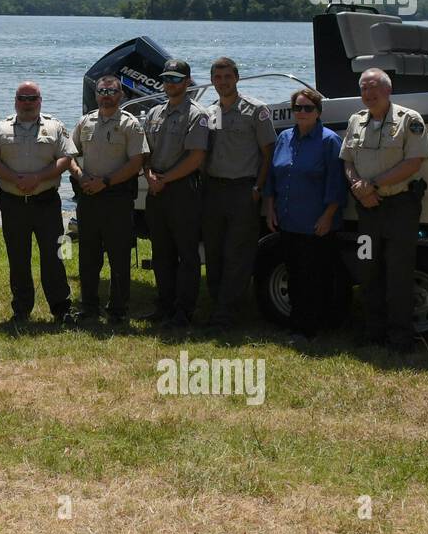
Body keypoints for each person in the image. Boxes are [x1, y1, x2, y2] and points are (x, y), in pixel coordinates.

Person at [340, 68, 428, 351]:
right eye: (364, 88)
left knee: (399, 273)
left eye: (373, 88)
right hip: (367, 211)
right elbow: (347, 160)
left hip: (399, 209)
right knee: (367, 269)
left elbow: (414, 162)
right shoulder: (356, 121)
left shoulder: (409, 120)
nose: (368, 94)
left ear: (388, 90)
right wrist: (358, 187)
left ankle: (400, 338)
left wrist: (373, 185)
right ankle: (372, 333)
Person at [0, 81, 76, 324]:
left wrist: (38, 178)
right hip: (13, 204)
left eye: (32, 98)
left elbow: (66, 158)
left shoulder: (55, 126)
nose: (27, 103)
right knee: (18, 258)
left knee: (56, 255)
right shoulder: (1, 128)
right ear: (15, 101)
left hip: (47, 203)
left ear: (40, 100)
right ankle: (21, 309)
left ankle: (61, 308)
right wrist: (14, 178)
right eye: (22, 98)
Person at [264, 88, 348, 340]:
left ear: (318, 112)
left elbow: (337, 183)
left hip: (316, 223)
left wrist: (327, 216)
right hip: (288, 220)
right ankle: (298, 324)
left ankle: (312, 328)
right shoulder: (285, 138)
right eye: (298, 108)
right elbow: (272, 176)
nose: (302, 112)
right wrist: (269, 208)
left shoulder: (329, 140)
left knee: (315, 278)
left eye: (307, 108)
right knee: (295, 276)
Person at [202, 57, 276, 328]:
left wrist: (259, 188)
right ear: (212, 81)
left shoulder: (256, 110)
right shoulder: (208, 112)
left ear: (237, 78)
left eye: (227, 77)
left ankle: (227, 313)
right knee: (214, 251)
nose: (223, 82)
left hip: (243, 190)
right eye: (218, 77)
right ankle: (217, 304)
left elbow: (269, 153)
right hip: (213, 190)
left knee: (238, 253)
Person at [68, 75, 146, 324]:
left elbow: (136, 163)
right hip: (89, 196)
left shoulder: (130, 124)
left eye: (111, 91)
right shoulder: (86, 121)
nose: (106, 95)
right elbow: (69, 153)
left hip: (117, 198)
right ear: (96, 94)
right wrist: (81, 177)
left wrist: (107, 182)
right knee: (88, 255)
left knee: (119, 256)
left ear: (120, 95)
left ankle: (118, 310)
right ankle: (89, 308)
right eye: (102, 91)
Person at [142, 59, 210, 327]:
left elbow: (196, 158)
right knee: (161, 252)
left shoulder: (197, 114)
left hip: (183, 189)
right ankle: (164, 305)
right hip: (156, 187)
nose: (170, 83)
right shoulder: (154, 113)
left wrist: (165, 179)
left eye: (175, 78)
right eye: (166, 78)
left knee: (187, 254)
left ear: (187, 81)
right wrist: (149, 176)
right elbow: (145, 152)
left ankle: (183, 311)